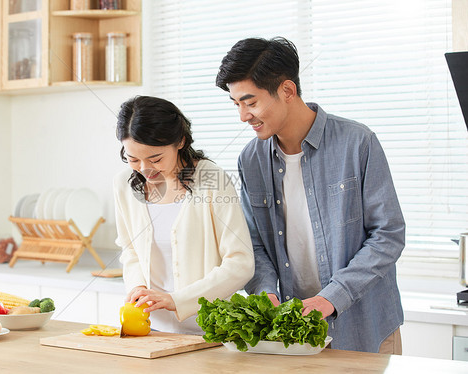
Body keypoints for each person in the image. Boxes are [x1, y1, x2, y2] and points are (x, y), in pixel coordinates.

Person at [215, 37, 406, 354]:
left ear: (287, 91)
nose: (243, 116)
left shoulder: (357, 143)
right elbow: (254, 242)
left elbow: (388, 234)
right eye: (236, 104)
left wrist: (332, 297)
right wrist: (265, 291)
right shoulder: (250, 160)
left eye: (250, 102)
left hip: (366, 329)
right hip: (295, 338)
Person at [113, 95, 254, 334]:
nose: (145, 169)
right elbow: (130, 249)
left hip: (209, 330)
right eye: (133, 159)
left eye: (155, 158)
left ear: (180, 141)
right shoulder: (124, 184)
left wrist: (177, 300)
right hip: (150, 329)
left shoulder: (212, 180)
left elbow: (241, 263)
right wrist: (137, 287)